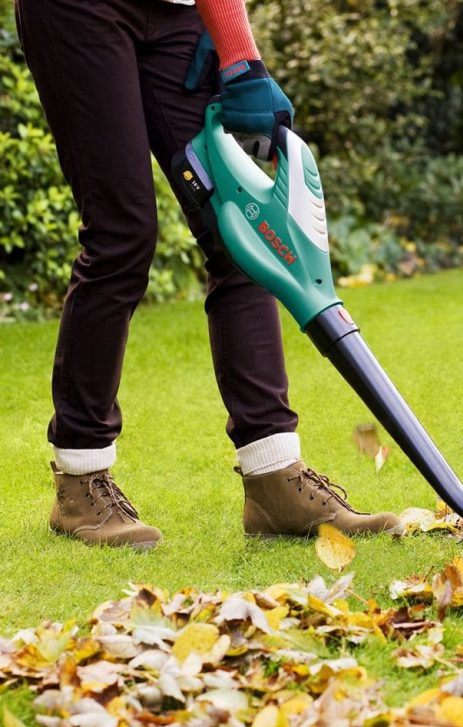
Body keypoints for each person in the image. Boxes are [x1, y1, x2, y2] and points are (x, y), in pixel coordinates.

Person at [14, 0, 402, 549]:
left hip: (175, 14)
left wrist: (243, 62)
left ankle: (274, 476)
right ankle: (80, 483)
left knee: (244, 235)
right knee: (120, 235)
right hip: (80, 11)